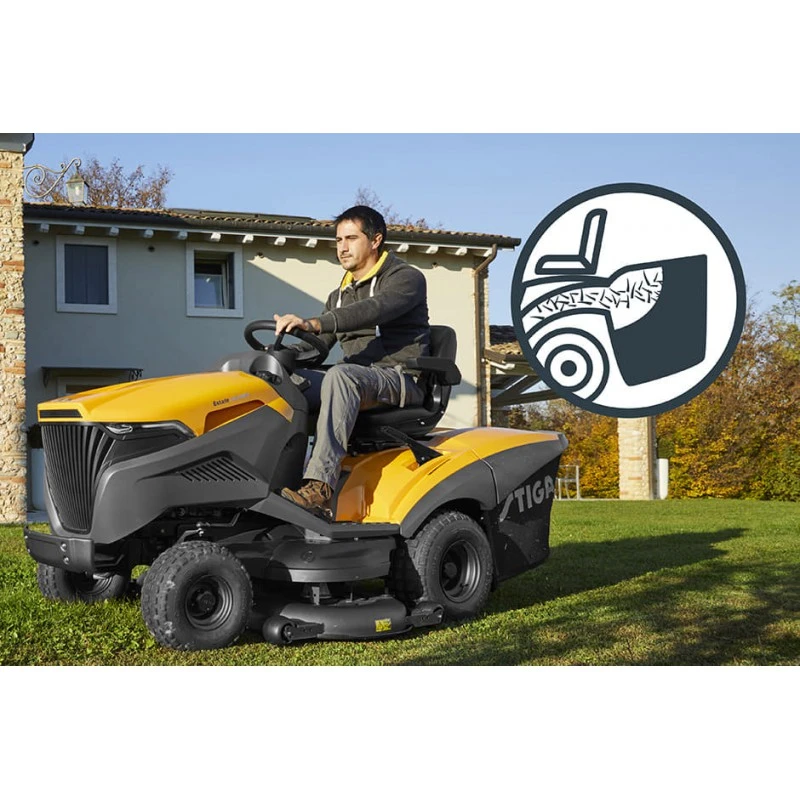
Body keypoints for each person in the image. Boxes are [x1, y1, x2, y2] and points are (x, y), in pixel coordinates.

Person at [273, 205, 430, 517]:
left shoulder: (406, 279)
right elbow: (319, 346)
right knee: (281, 380)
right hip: (356, 379)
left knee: (341, 375)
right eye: (338, 240)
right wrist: (279, 357)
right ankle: (271, 475)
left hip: (398, 379)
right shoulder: (340, 294)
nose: (342, 247)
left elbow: (374, 309)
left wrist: (314, 322)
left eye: (351, 238)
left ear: (375, 240)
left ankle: (320, 487)